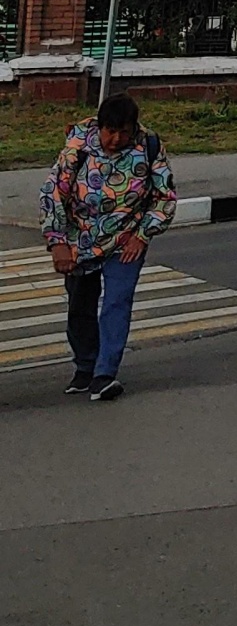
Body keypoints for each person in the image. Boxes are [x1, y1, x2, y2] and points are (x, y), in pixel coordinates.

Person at [40, 91, 177, 401]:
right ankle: (85, 366)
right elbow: (53, 195)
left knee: (117, 302)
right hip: (80, 240)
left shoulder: (149, 147)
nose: (115, 139)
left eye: (123, 132)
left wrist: (142, 234)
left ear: (133, 129)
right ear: (99, 127)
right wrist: (57, 243)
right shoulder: (77, 149)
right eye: (110, 131)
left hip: (125, 240)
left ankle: (104, 374)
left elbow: (164, 197)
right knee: (80, 305)